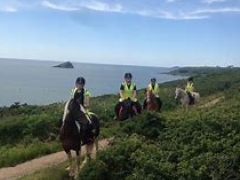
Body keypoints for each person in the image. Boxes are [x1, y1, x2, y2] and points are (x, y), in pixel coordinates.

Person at [71, 76, 92, 145]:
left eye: (81, 84)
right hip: (74, 110)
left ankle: (87, 138)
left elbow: (87, 104)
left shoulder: (86, 92)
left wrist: (80, 108)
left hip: (83, 110)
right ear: (76, 84)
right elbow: (71, 101)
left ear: (83, 85)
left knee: (87, 122)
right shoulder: (73, 91)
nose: (79, 85)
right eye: (78, 83)